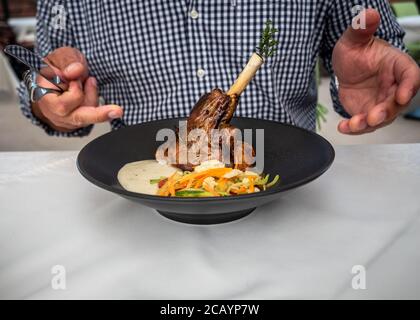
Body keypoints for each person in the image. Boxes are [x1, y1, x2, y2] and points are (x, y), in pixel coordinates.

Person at [18, 1, 420, 137]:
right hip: (141, 201)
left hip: (290, 193)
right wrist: (46, 97)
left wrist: (375, 78)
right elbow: (45, 76)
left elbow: (370, 37)